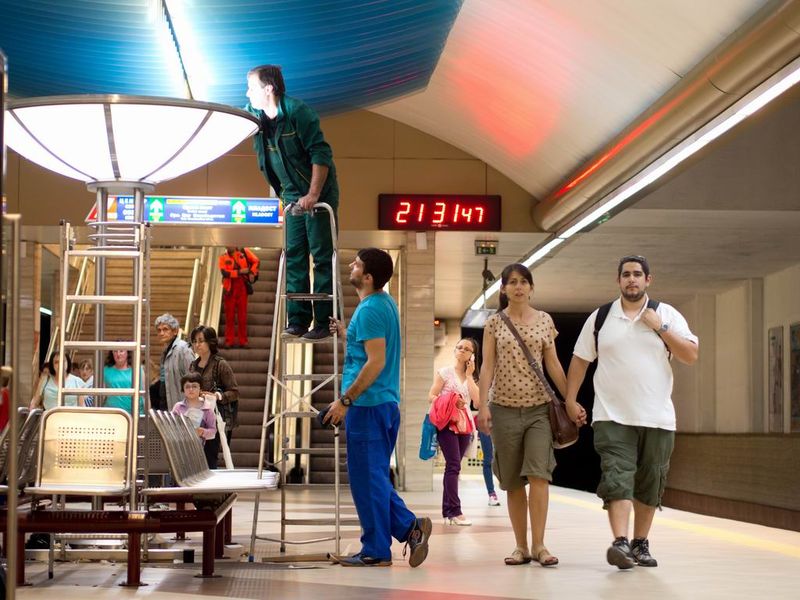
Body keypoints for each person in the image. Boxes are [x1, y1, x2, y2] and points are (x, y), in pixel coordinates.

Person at [565, 255, 698, 570]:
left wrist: (661, 328)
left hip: (657, 417)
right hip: (611, 416)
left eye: (638, 274)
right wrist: (570, 399)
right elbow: (581, 359)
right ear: (619, 280)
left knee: (651, 480)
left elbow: (690, 354)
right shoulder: (601, 317)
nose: (632, 279)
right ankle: (620, 542)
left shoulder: (666, 314)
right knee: (617, 476)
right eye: (626, 274)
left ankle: (640, 543)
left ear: (648, 280)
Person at [325, 248, 431, 567]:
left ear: (368, 277)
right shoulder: (384, 303)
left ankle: (376, 549)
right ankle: (410, 529)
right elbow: (366, 351)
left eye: (357, 264)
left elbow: (375, 362)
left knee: (367, 481)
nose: (351, 266)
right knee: (373, 478)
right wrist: (347, 333)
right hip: (383, 404)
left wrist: (346, 400)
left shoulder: (370, 309)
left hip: (367, 406)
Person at [476, 263, 578, 568]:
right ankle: (521, 546)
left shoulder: (544, 320)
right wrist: (482, 406)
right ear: (504, 289)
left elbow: (553, 364)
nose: (518, 287)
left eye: (524, 282)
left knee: (539, 475)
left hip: (538, 409)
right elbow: (487, 367)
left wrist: (570, 401)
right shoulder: (494, 323)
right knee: (513, 482)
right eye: (512, 282)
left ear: (531, 288)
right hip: (503, 409)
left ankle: (540, 545)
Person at [246, 64, 339, 341]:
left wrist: (313, 194)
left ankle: (324, 322)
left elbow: (320, 154)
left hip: (318, 193)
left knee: (321, 255)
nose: (247, 94)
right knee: (295, 254)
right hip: (289, 194)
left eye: (251, 88)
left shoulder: (298, 113)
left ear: (268, 89)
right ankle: (297, 320)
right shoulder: (255, 116)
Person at [428, 338, 479, 525]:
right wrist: (451, 400)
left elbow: (477, 402)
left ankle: (448, 512)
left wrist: (470, 376)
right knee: (454, 465)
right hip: (447, 423)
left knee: (454, 467)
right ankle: (455, 511)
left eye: (467, 349)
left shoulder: (472, 377)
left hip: (465, 425)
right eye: (459, 347)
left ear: (472, 355)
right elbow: (431, 396)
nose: (462, 350)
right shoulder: (445, 372)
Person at [189, 325, 239, 469]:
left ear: (210, 342)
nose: (197, 345)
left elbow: (234, 392)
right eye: (194, 341)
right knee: (197, 456)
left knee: (210, 456)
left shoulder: (220, 364)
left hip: (216, 418)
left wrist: (217, 396)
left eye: (200, 341)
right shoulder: (193, 365)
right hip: (196, 416)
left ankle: (211, 482)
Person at [218, 248, 260, 348]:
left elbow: (256, 261)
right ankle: (229, 341)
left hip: (242, 289)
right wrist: (239, 272)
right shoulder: (223, 257)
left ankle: (243, 341)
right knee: (229, 317)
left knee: (242, 316)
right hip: (229, 290)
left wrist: (252, 272)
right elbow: (225, 273)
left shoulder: (244, 252)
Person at [155, 313, 195, 410]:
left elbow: (192, 378)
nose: (161, 333)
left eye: (165, 329)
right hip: (166, 401)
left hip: (181, 404)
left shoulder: (183, 348)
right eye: (159, 330)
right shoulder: (166, 350)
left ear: (175, 331)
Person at [172, 372, 216, 443]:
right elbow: (171, 427)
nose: (191, 389)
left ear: (200, 389)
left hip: (199, 447)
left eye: (194, 386)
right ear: (183, 390)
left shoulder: (207, 409)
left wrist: (202, 431)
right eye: (187, 387)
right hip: (180, 445)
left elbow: (213, 430)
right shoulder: (178, 407)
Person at [103, 349, 146, 415]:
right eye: (115, 351)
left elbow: (145, 395)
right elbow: (102, 396)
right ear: (112, 353)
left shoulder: (138, 370)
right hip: (112, 414)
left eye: (121, 351)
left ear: (127, 353)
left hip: (135, 414)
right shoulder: (105, 370)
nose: (118, 354)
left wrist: (148, 415)